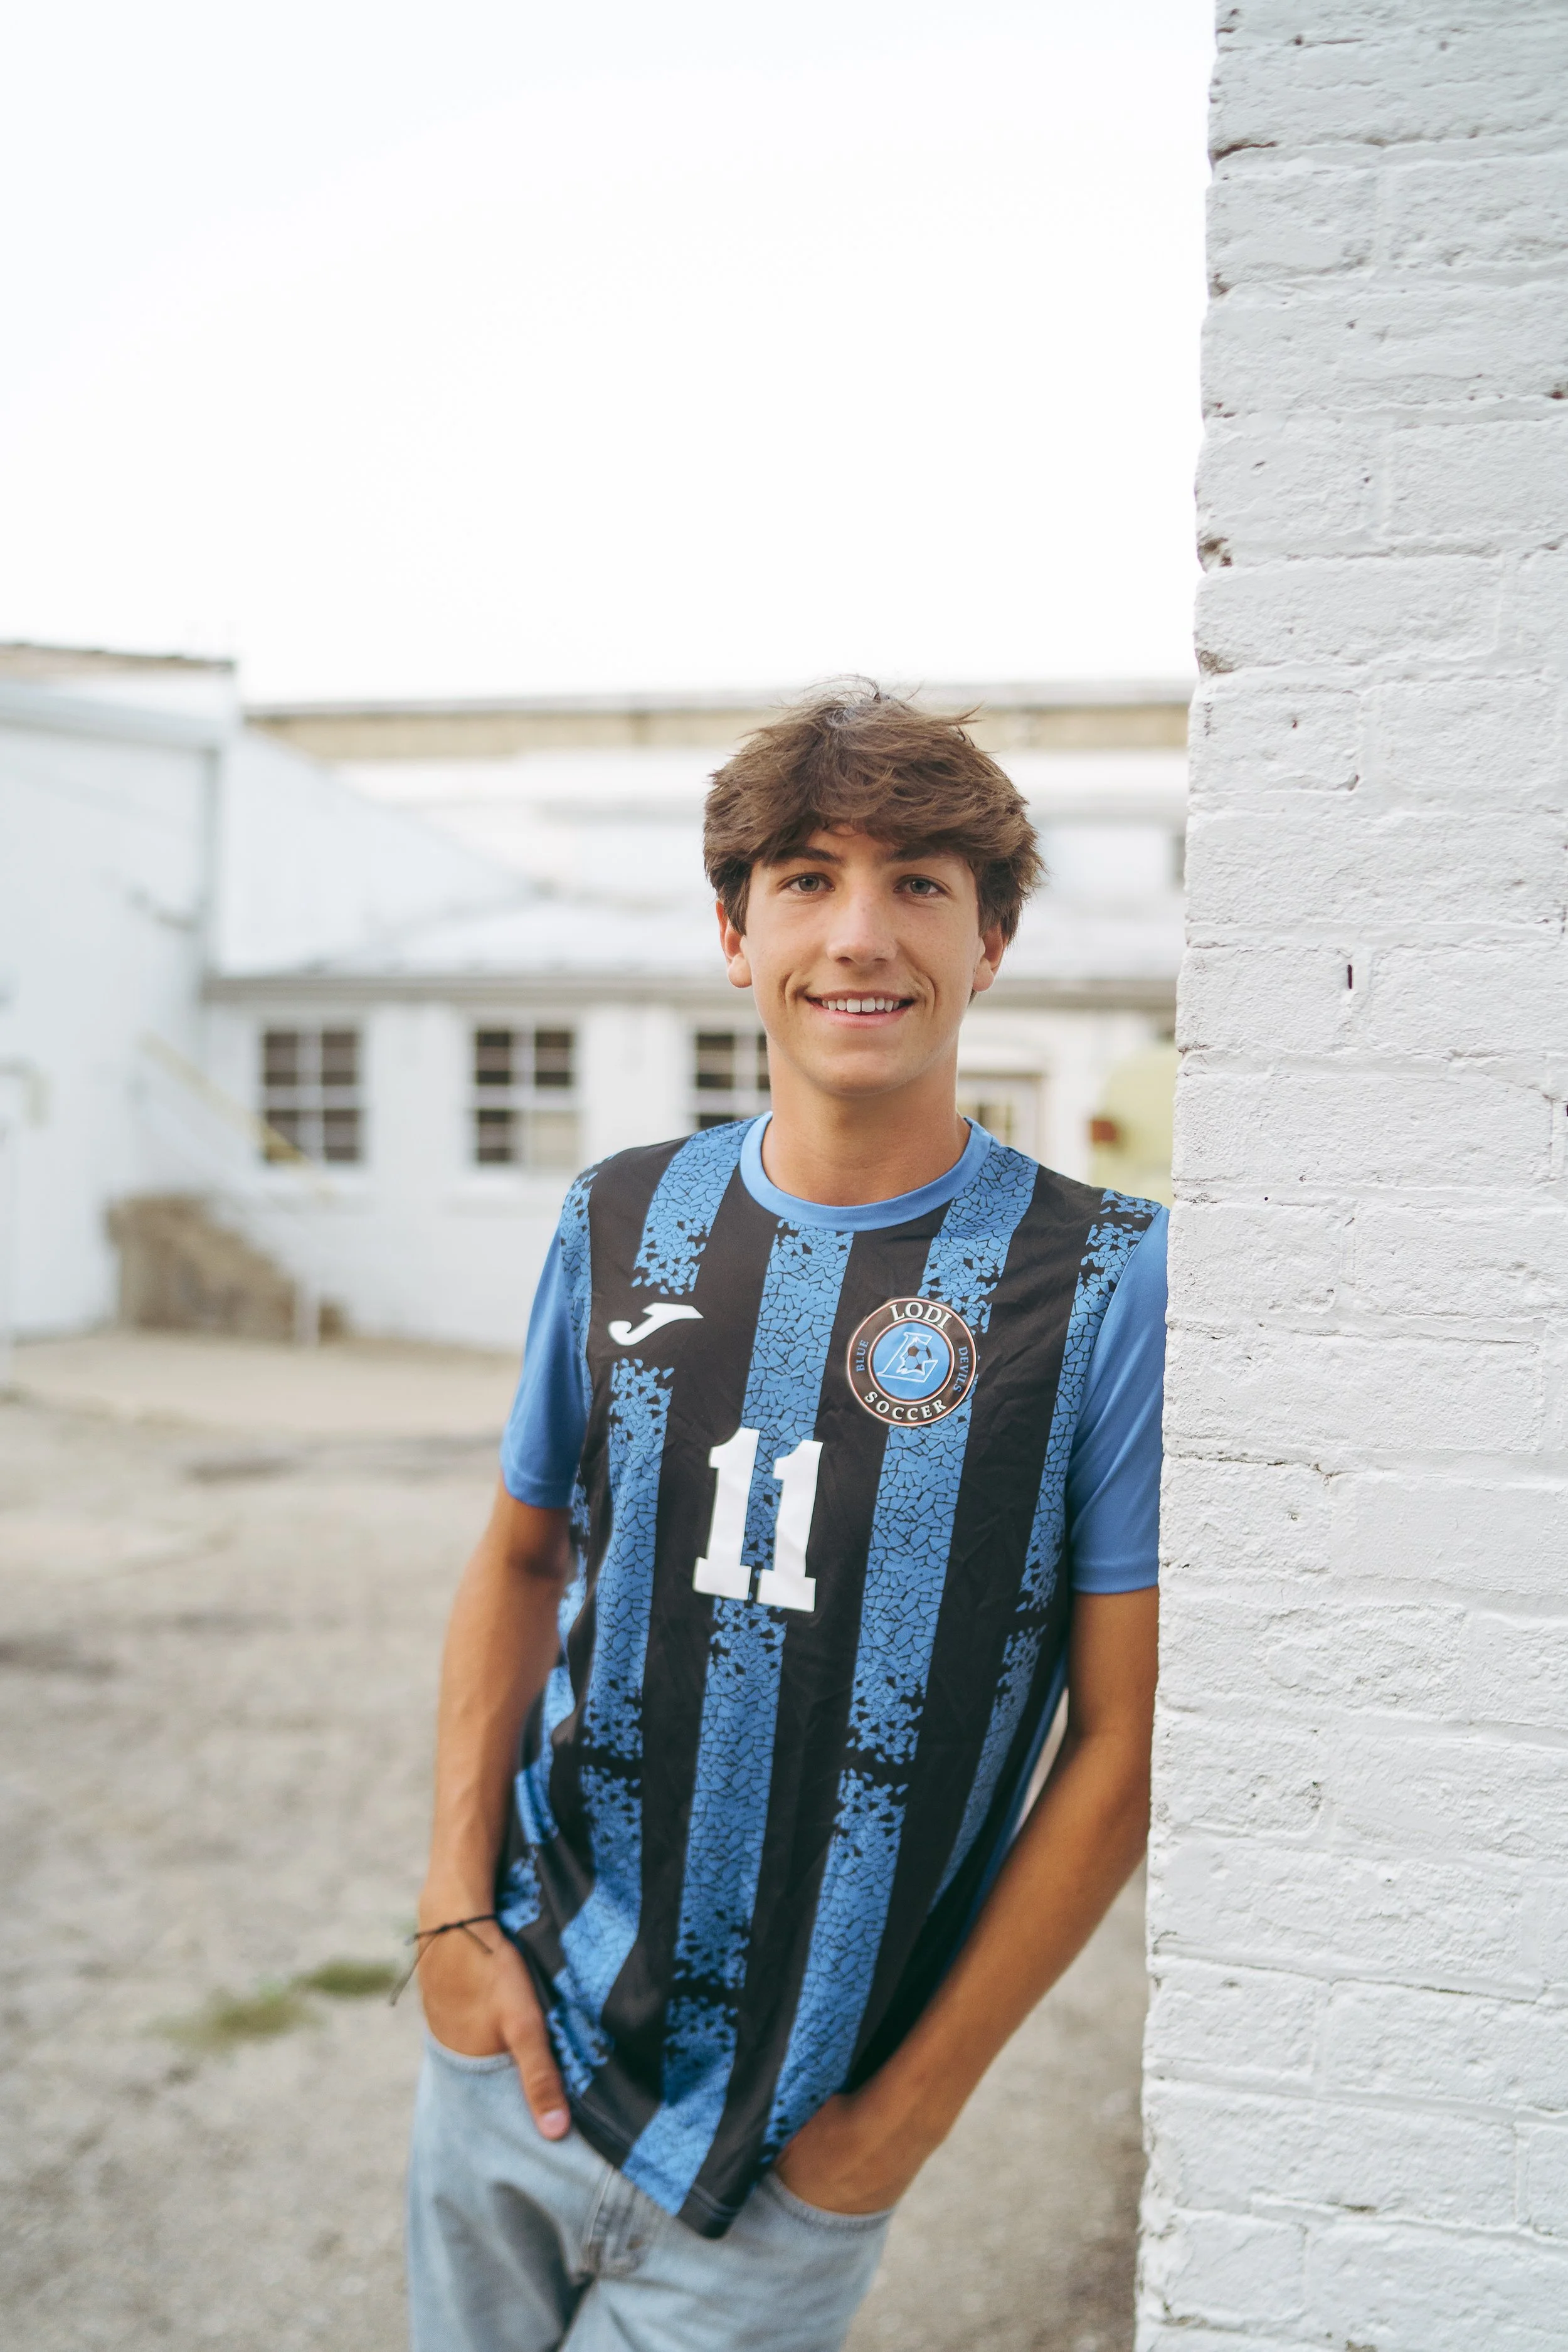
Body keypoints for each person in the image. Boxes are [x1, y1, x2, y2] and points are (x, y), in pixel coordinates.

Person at [405, 685, 1165, 2352]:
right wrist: (453, 1919)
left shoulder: (1100, 1279)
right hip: (514, 2053)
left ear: (995, 937)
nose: (859, 935)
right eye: (808, 877)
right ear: (733, 932)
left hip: (790, 2153)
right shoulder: (619, 1214)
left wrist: (894, 2126)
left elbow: (1120, 1744)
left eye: (918, 883)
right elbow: (524, 1550)